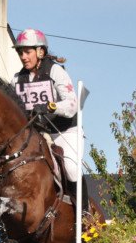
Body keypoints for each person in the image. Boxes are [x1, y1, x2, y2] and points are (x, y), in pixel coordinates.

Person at [10, 28, 89, 209]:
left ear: (40, 51)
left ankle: (85, 215)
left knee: (70, 168)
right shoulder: (17, 79)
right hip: (37, 133)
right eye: (20, 52)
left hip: (64, 131)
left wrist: (52, 106)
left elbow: (72, 104)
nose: (23, 56)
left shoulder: (55, 72)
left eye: (27, 52)